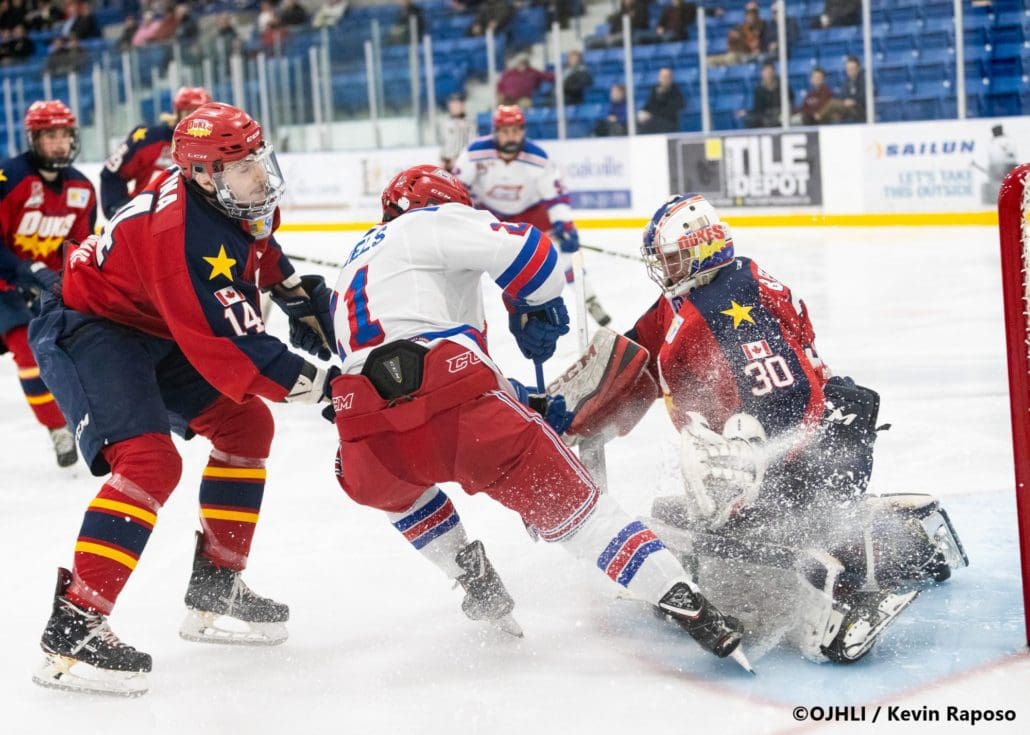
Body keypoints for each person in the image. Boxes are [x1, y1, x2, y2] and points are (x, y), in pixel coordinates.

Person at [326, 164, 748, 671]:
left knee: (397, 492)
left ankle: (470, 573)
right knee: (585, 518)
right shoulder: (429, 222)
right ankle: (689, 605)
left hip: (362, 438)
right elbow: (535, 256)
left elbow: (396, 366)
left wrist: (519, 397)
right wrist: (535, 305)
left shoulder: (349, 273)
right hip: (461, 414)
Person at [29, 102, 339, 697]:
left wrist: (293, 290)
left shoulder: (228, 201)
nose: (261, 175)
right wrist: (333, 390)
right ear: (202, 173)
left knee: (247, 428)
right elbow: (240, 352)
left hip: (152, 325)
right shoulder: (181, 237)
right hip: (90, 327)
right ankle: (74, 627)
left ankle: (217, 587)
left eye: (258, 158)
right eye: (243, 166)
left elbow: (255, 246)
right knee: (149, 462)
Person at [575, 193, 967, 663]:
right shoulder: (692, 294)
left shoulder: (730, 307)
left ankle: (873, 573)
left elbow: (788, 401)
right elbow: (636, 356)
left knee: (782, 529)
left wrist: (750, 465)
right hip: (796, 439)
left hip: (822, 444)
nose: (665, 268)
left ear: (702, 250)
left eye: (673, 257)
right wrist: (579, 403)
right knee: (697, 512)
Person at [453, 105, 612, 327]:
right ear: (495, 131)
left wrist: (564, 225)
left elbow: (555, 197)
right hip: (490, 214)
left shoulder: (538, 158)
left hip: (530, 212)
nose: (511, 136)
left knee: (566, 254)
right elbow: (458, 190)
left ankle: (589, 298)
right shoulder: (473, 154)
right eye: (505, 131)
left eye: (516, 130)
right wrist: (462, 221)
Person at [0, 100, 95, 468]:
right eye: (49, 135)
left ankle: (71, 422)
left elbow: (83, 246)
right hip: (5, 288)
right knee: (28, 353)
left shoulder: (82, 189)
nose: (57, 143)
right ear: (33, 138)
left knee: (78, 349)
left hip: (50, 290)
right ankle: (58, 428)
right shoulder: (9, 178)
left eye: (63, 135)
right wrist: (26, 270)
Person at [99, 87, 213, 219]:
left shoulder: (220, 145)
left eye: (200, 115)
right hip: (146, 221)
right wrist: (118, 209)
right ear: (178, 113)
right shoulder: (149, 139)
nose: (195, 121)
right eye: (189, 113)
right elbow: (111, 173)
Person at [737, 61, 792, 128]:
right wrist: (747, 112)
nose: (768, 74)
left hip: (779, 114)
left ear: (774, 72)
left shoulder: (783, 86)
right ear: (762, 73)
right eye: (766, 71)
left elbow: (790, 102)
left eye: (770, 71)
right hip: (765, 116)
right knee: (750, 120)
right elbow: (758, 109)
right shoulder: (759, 89)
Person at [817, 55, 865, 124]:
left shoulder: (864, 79)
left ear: (858, 68)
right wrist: (845, 101)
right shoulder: (847, 81)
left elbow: (866, 94)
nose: (850, 71)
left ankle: (817, 118)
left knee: (832, 103)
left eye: (852, 69)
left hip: (859, 109)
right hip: (846, 108)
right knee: (834, 116)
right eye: (848, 69)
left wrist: (854, 101)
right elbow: (842, 95)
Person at [637, 67, 684, 134]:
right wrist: (643, 111)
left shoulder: (675, 91)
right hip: (654, 120)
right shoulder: (655, 89)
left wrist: (652, 115)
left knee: (647, 125)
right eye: (662, 77)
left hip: (668, 122)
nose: (664, 79)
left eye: (666, 77)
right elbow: (649, 104)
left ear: (670, 78)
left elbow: (673, 109)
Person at [437, 93, 473, 171]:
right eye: (452, 104)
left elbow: (471, 143)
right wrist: (443, 160)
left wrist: (460, 159)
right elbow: (444, 144)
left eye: (457, 104)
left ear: (462, 106)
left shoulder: (469, 123)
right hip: (446, 163)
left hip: (462, 163)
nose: (454, 106)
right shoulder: (445, 122)